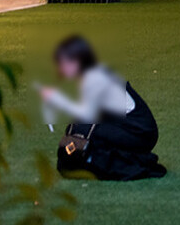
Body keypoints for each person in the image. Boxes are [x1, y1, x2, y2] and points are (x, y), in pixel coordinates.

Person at [38, 36, 165, 180]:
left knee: (86, 133)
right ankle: (93, 161)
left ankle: (107, 163)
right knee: (77, 131)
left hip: (140, 131)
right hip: (124, 125)